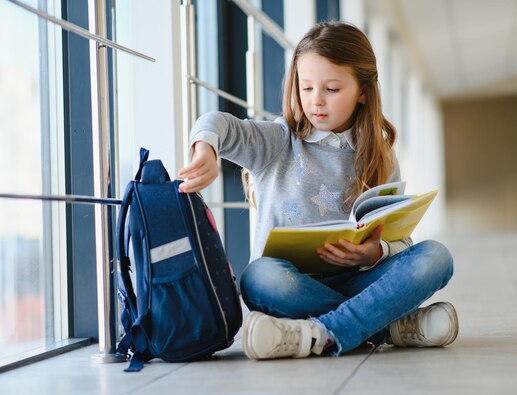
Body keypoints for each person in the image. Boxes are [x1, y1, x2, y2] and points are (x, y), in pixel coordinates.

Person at [178, 21, 457, 360]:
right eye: (306, 88)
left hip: (357, 282)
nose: (316, 102)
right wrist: (205, 147)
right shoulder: (278, 141)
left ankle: (318, 334)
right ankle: (385, 326)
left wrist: (376, 252)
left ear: (363, 92)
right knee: (258, 277)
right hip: (292, 287)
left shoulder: (380, 156)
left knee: (436, 256)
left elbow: (401, 240)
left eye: (332, 89)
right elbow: (217, 123)